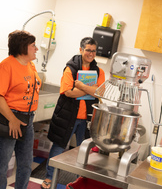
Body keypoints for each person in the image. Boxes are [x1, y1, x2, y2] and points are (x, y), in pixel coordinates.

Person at [41, 37, 105, 189]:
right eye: (88, 50)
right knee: (59, 147)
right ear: (81, 49)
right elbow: (68, 92)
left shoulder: (99, 71)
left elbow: (100, 93)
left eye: (93, 50)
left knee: (85, 152)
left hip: (88, 118)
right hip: (68, 116)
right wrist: (91, 89)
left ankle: (80, 182)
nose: (91, 53)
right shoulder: (70, 68)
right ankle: (50, 177)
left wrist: (82, 85)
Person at [0, 30, 41, 189]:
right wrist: (13, 120)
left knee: (26, 164)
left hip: (28, 120)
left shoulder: (31, 65)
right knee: (2, 165)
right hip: (10, 119)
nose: (36, 49)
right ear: (23, 47)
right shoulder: (6, 66)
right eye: (33, 46)